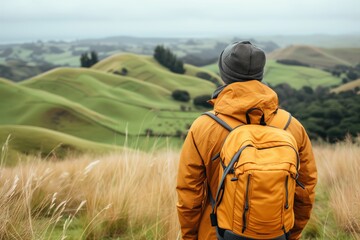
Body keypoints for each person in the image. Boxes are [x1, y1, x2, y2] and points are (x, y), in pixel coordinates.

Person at [176, 41, 317, 240]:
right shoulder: (292, 126)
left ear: (224, 74)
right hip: (277, 233)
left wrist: (189, 237)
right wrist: (292, 234)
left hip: (217, 232)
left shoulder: (204, 127)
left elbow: (189, 193)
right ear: (260, 74)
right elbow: (306, 189)